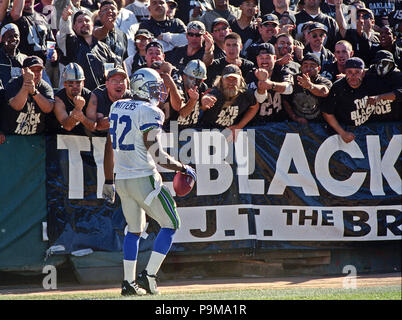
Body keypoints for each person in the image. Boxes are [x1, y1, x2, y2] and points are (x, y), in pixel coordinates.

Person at [102, 67, 197, 296]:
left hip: (122, 179)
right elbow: (159, 156)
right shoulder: (149, 111)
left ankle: (128, 282)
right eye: (154, 87)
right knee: (172, 223)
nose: (158, 92)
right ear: (141, 87)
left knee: (133, 231)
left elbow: (109, 145)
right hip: (143, 177)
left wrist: (108, 180)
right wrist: (183, 167)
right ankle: (149, 276)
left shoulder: (117, 106)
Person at [58, 9, 120, 90]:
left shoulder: (104, 48)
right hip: (77, 96)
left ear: (92, 25)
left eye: (87, 20)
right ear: (74, 27)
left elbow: (114, 68)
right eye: (80, 21)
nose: (84, 23)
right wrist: (65, 19)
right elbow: (64, 31)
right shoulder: (70, 43)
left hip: (102, 96)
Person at [321, 57, 377, 142]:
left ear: (363, 73)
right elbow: (327, 112)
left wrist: (379, 97)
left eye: (357, 72)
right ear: (345, 73)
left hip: (369, 129)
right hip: (344, 127)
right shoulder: (338, 87)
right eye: (349, 72)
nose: (353, 76)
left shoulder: (371, 82)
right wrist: (342, 133)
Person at [199, 63, 259, 136]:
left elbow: (255, 107)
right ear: (221, 80)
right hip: (206, 132)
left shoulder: (246, 94)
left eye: (234, 79)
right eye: (227, 78)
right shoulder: (215, 93)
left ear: (241, 80)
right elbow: (202, 107)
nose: (231, 82)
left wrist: (240, 126)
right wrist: (203, 101)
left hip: (230, 134)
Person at [1, 55, 54, 136]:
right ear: (23, 71)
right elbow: (16, 106)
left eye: (38, 70)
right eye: (32, 70)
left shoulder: (45, 87)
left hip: (36, 137)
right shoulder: (13, 84)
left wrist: (34, 92)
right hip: (12, 136)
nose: (35, 74)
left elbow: (48, 108)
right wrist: (26, 85)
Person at [245, 42, 294, 124]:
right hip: (256, 123)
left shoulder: (282, 70)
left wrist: (271, 85)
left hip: (280, 123)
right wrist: (262, 86)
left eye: (268, 57)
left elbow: (289, 89)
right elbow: (259, 99)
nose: (264, 61)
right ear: (257, 59)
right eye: (261, 58)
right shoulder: (252, 74)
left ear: (274, 58)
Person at [283, 53, 332, 123]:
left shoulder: (324, 81)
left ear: (319, 69)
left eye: (312, 66)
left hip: (318, 124)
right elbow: (285, 101)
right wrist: (294, 117)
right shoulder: (293, 79)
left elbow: (324, 91)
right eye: (305, 65)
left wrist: (310, 86)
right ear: (301, 67)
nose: (308, 68)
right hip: (296, 122)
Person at [86, 67, 133, 136]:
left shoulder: (130, 97)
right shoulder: (97, 96)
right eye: (114, 81)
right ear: (107, 84)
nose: (119, 84)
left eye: (122, 81)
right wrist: (119, 116)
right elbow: (98, 125)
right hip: (96, 138)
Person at [366, 49, 402, 122]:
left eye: (384, 63)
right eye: (378, 62)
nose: (381, 65)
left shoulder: (398, 76)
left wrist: (379, 97)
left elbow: (400, 93)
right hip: (374, 121)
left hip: (395, 121)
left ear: (391, 64)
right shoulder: (370, 74)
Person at [93, 0, 129, 65]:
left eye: (112, 9)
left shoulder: (122, 35)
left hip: (118, 72)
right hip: (101, 73)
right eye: (105, 9)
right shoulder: (94, 30)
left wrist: (126, 75)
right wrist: (106, 27)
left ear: (117, 13)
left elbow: (122, 60)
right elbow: (98, 34)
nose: (109, 11)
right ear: (100, 14)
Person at [177, 59, 209, 128]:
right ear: (184, 76)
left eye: (198, 80)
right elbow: (182, 114)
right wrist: (193, 100)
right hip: (173, 130)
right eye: (191, 78)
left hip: (192, 130)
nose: (194, 82)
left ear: (203, 80)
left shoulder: (202, 87)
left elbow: (200, 113)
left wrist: (204, 106)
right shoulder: (178, 87)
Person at [0, 24, 27, 89]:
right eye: (10, 36)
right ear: (2, 39)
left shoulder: (25, 59)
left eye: (16, 36)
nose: (14, 39)